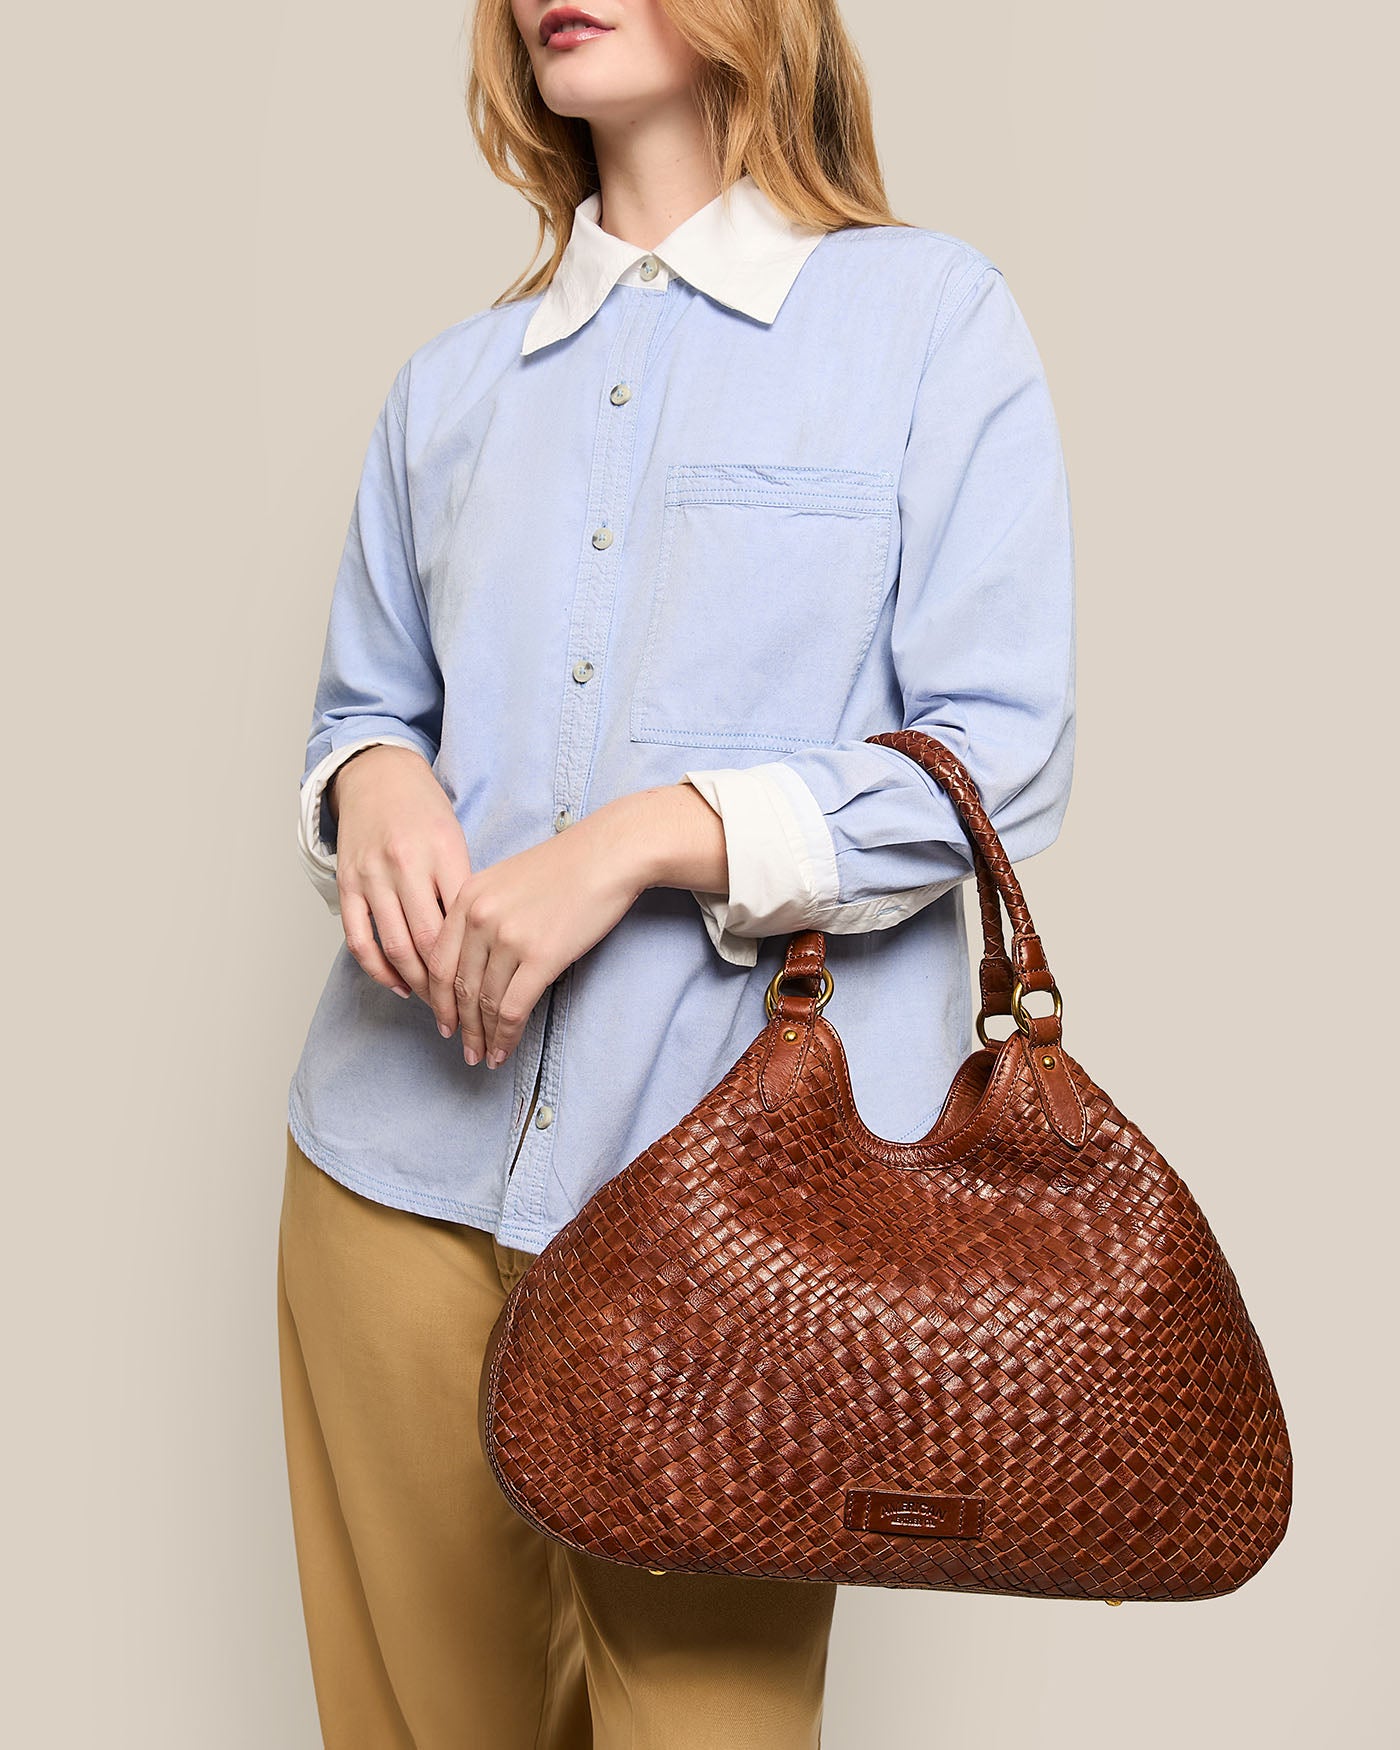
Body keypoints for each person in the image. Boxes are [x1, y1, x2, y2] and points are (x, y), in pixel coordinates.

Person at [276, 0, 1077, 1744]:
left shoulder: (926, 321)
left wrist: (639, 839)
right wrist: (374, 775)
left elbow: (996, 752)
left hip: (731, 1211)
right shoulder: (452, 388)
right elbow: (361, 701)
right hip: (388, 1178)